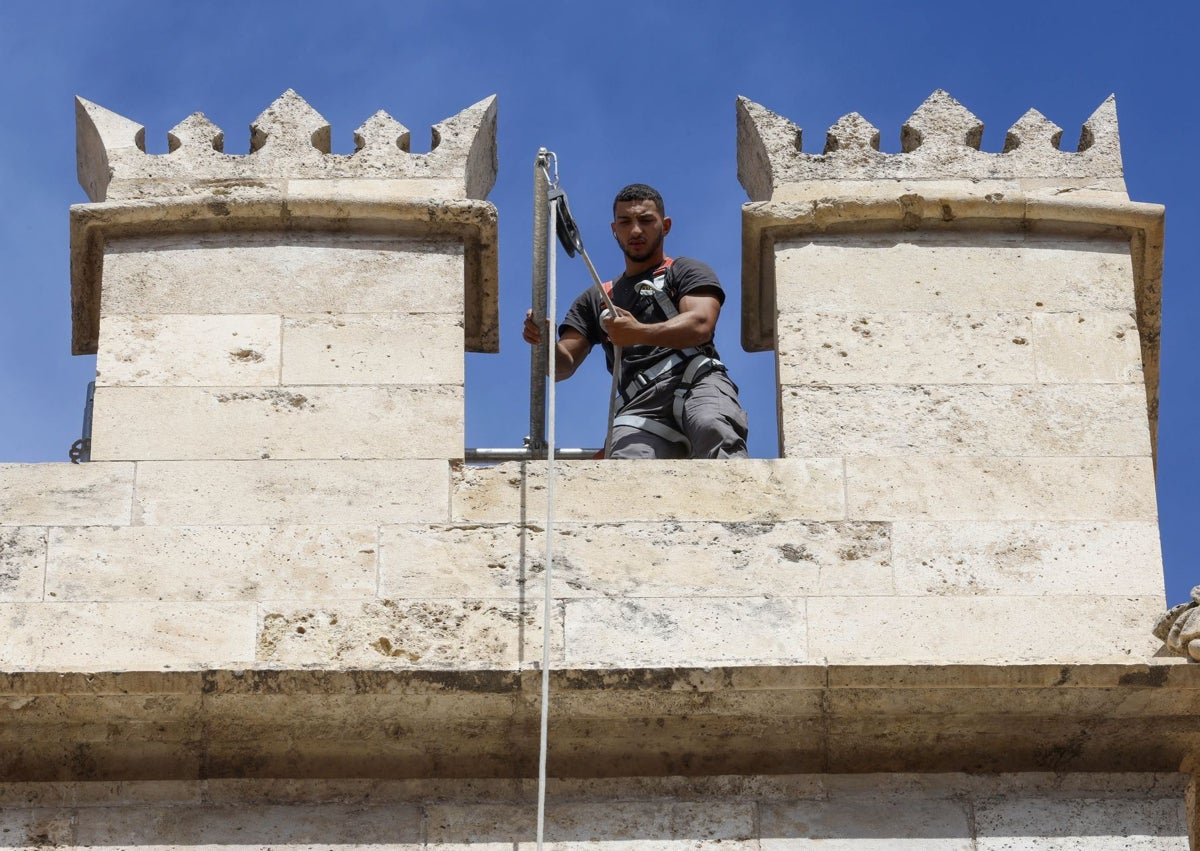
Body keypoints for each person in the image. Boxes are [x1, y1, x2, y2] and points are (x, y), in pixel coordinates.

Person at [523, 183, 749, 459]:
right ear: (613, 229)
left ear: (665, 226)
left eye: (646, 221)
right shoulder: (597, 299)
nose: (636, 231)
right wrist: (544, 341)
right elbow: (561, 367)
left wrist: (639, 332)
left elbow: (700, 324)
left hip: (697, 381)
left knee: (712, 427)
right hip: (638, 405)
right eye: (625, 222)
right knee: (626, 466)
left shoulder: (684, 271)